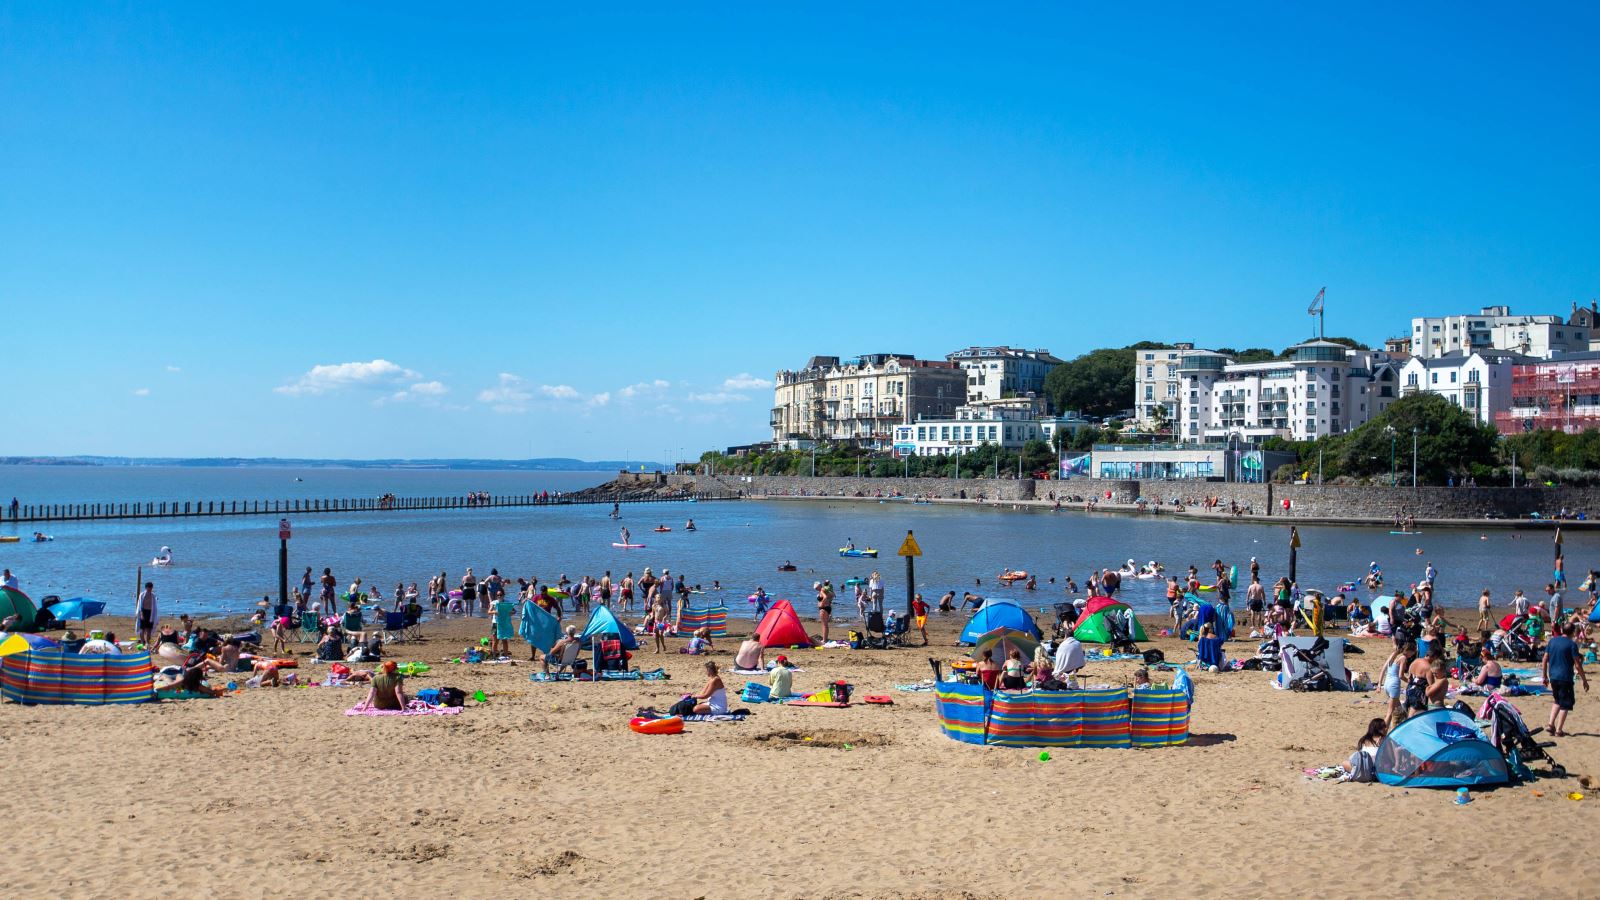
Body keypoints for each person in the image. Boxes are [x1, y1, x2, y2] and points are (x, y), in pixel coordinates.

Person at [1543, 621, 1589, 738]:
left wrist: (1544, 676)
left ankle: (1550, 724)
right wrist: (1584, 680)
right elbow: (1577, 664)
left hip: (1553, 676)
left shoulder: (1552, 641)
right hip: (1565, 677)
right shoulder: (1571, 644)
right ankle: (1558, 730)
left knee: (1557, 700)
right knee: (1565, 704)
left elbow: (1544, 659)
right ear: (1573, 632)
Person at [1381, 637, 1411, 728]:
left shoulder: (1394, 655)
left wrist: (1379, 684)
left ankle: (1397, 730)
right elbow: (1401, 675)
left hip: (1387, 684)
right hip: (1394, 685)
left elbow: (1384, 669)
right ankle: (1382, 737)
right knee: (1390, 713)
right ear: (1409, 651)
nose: (1412, 655)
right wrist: (1409, 682)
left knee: (1400, 711)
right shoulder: (1403, 658)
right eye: (1413, 653)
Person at [492, 589, 515, 658]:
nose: (499, 596)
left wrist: (509, 613)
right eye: (498, 595)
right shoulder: (494, 602)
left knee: (504, 640)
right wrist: (495, 612)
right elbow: (489, 611)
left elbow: (514, 611)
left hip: (504, 623)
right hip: (495, 623)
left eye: (500, 595)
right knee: (495, 641)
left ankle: (506, 655)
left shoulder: (507, 603)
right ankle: (494, 655)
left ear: (503, 595)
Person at [135, 581, 158, 646]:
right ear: (146, 588)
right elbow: (140, 605)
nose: (150, 589)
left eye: (151, 588)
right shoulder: (142, 595)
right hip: (143, 612)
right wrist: (141, 614)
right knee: (142, 628)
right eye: (149, 588)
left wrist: (154, 616)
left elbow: (154, 606)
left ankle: (147, 642)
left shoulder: (153, 595)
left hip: (151, 613)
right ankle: (143, 642)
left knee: (149, 629)